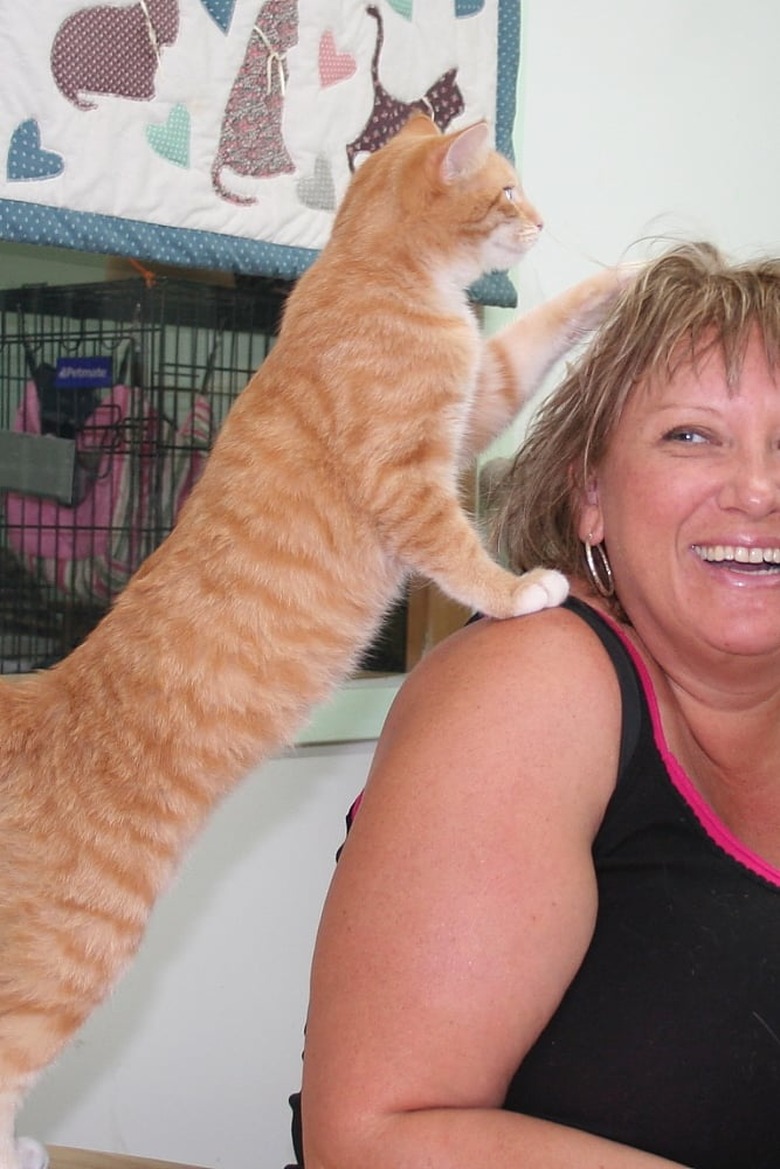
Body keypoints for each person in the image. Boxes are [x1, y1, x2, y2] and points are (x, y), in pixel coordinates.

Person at [292, 241, 780, 1168]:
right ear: (589, 494)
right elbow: (371, 1140)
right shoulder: (537, 682)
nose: (757, 489)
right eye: (691, 435)